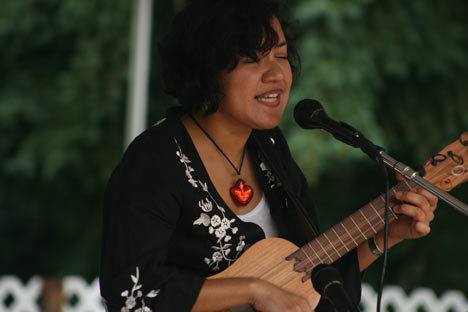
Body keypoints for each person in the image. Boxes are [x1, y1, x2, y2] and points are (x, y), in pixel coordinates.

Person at [99, 0, 438, 311]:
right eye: (253, 59)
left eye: (281, 55)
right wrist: (252, 290)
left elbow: (309, 277)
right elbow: (131, 291)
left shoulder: (270, 148)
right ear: (207, 69)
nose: (276, 74)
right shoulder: (155, 159)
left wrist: (386, 235)